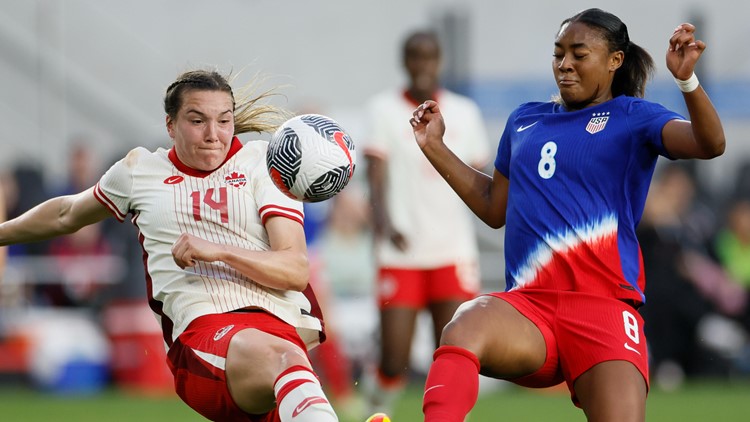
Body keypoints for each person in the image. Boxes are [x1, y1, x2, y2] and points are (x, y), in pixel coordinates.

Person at [409, 9, 725, 422]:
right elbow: (492, 207)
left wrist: (687, 81)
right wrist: (435, 147)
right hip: (529, 310)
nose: (565, 65)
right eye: (558, 54)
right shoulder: (525, 119)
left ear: (615, 60)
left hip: (605, 312)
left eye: (579, 54)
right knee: (466, 324)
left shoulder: (633, 116)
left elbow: (710, 143)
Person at [0, 69, 354, 421]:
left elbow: (294, 270)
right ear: (171, 125)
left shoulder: (266, 165)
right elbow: (66, 213)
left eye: (224, 120)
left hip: (278, 329)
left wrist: (220, 251)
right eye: (197, 121)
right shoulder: (140, 171)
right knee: (286, 362)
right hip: (202, 337)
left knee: (291, 372)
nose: (213, 135)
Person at [362, 30, 490, 414]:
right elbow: (375, 174)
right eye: (415, 57)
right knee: (393, 358)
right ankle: (374, 406)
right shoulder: (383, 109)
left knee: (453, 351)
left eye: (429, 57)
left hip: (452, 249)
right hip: (401, 251)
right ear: (405, 62)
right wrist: (384, 223)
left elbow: (481, 177)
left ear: (439, 62)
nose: (422, 65)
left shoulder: (465, 111)